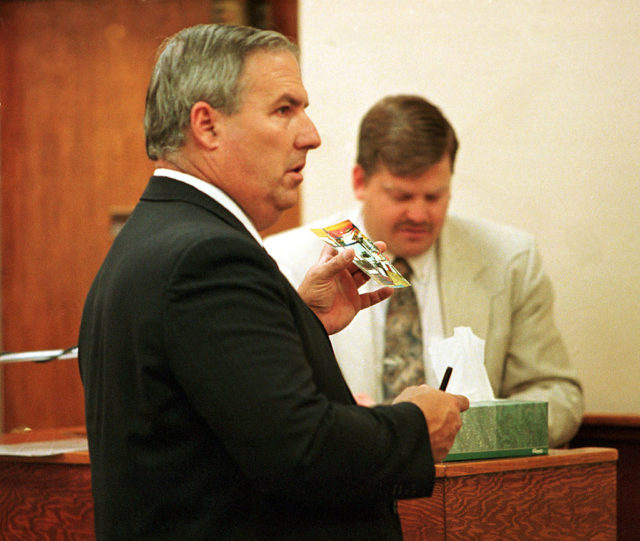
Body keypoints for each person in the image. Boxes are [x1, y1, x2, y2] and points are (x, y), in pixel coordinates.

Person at [78, 26, 469, 540]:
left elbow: (217, 405)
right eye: (284, 110)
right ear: (207, 125)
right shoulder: (208, 257)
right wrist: (416, 427)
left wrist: (297, 321)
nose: (310, 134)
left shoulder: (157, 234)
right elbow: (302, 452)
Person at [265, 94, 584, 448]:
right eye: (401, 196)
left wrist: (470, 430)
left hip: (475, 487)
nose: (419, 215)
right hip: (347, 480)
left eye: (434, 196)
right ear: (360, 181)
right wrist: (346, 424)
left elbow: (560, 395)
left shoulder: (509, 258)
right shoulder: (284, 260)